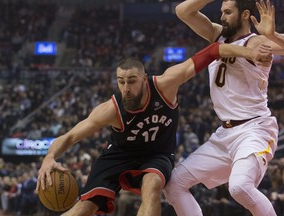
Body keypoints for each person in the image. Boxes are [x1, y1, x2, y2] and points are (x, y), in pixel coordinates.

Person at [36, 41, 271, 216]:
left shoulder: (165, 85)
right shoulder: (111, 109)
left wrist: (249, 52)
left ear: (144, 78)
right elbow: (70, 136)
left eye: (131, 81)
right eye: (121, 81)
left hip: (156, 155)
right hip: (118, 155)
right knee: (83, 209)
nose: (126, 88)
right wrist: (49, 158)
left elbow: (212, 51)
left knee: (153, 185)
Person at [164, 0, 284, 215]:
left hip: (254, 130)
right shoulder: (217, 35)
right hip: (224, 134)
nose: (222, 17)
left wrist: (273, 36)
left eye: (228, 12)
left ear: (245, 14)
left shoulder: (255, 42)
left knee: (239, 187)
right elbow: (183, 11)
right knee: (174, 184)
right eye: (222, 12)